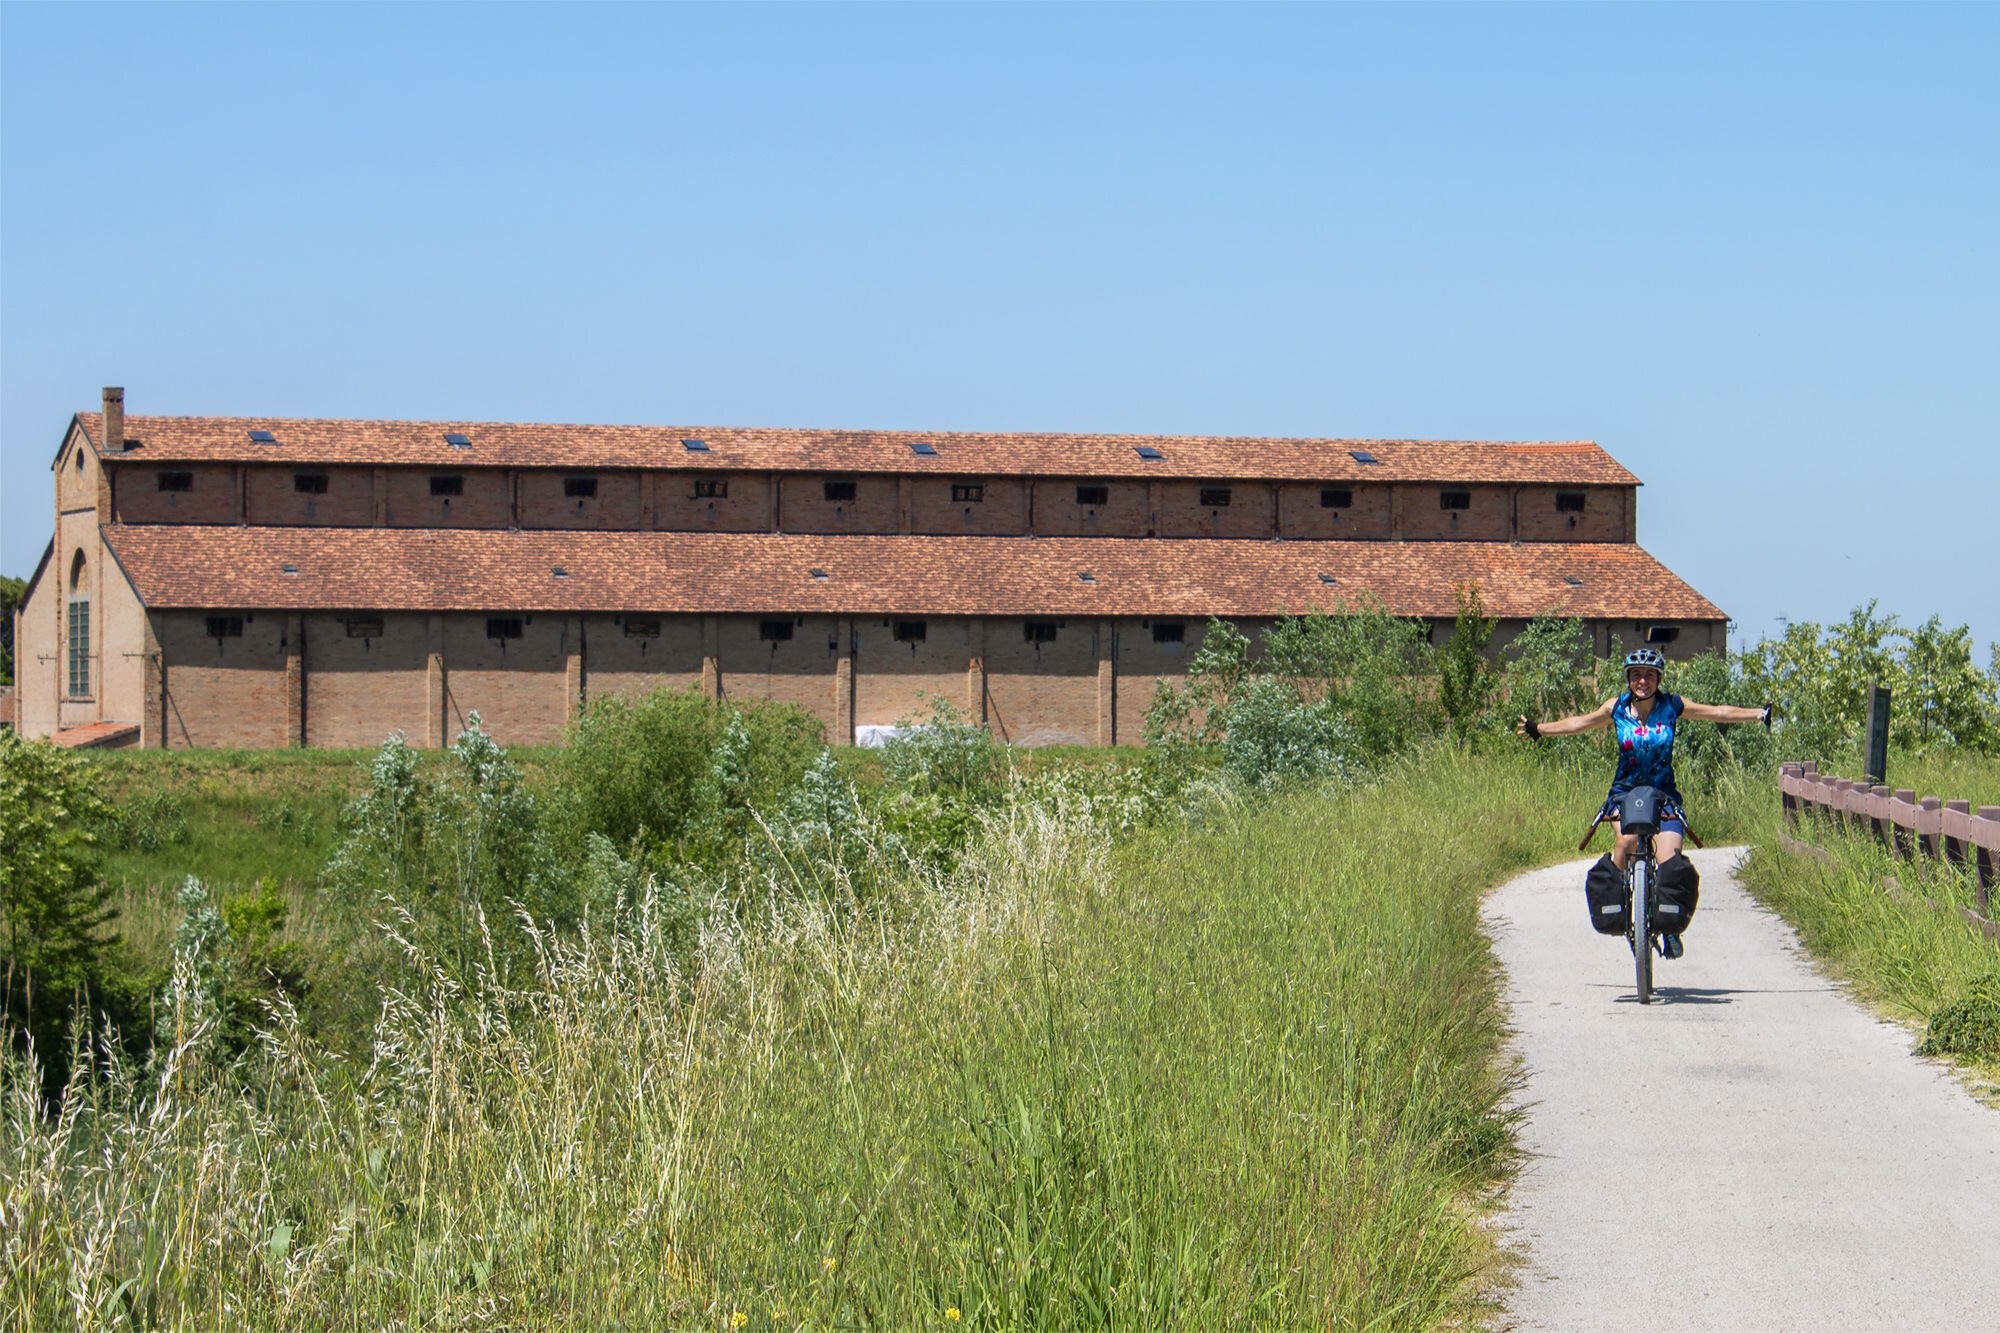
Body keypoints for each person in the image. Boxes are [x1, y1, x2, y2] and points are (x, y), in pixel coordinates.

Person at [1515, 646, 1771, 956]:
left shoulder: (1672, 706)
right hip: (1625, 794)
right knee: (1627, 843)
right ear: (1628, 679)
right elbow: (1579, 723)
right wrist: (1539, 729)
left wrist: (1759, 714)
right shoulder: (1617, 708)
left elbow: (1717, 711)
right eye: (1636, 675)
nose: (1643, 681)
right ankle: (1621, 912)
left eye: (1649, 675)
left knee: (1668, 861)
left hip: (1664, 796)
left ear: (1658, 678)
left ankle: (1668, 927)